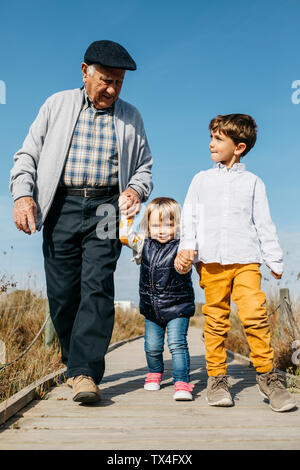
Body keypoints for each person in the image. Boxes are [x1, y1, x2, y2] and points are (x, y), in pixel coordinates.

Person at [10, 40, 153, 403]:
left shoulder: (131, 117)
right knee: (62, 293)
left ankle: (86, 371)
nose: (112, 89)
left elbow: (144, 168)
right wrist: (23, 195)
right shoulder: (56, 104)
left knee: (98, 285)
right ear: (84, 71)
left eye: (119, 82)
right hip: (61, 206)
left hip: (106, 208)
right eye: (106, 79)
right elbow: (27, 154)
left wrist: (136, 191)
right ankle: (72, 360)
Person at [175, 114, 296, 412]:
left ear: (239, 147)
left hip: (246, 260)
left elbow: (264, 223)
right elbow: (189, 216)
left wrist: (273, 256)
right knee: (216, 319)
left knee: (254, 314)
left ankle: (268, 377)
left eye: (218, 139)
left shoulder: (254, 183)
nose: (211, 143)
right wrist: (187, 247)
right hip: (212, 261)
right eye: (212, 137)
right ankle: (216, 379)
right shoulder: (200, 179)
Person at [120, 197, 195, 400]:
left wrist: (185, 263)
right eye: (155, 225)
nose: (161, 230)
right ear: (147, 226)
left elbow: (185, 264)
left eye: (168, 225)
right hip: (152, 309)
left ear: (178, 225)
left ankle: (182, 381)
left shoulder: (182, 247)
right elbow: (125, 237)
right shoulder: (143, 244)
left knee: (177, 344)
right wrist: (128, 216)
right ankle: (154, 374)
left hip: (178, 308)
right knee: (152, 346)